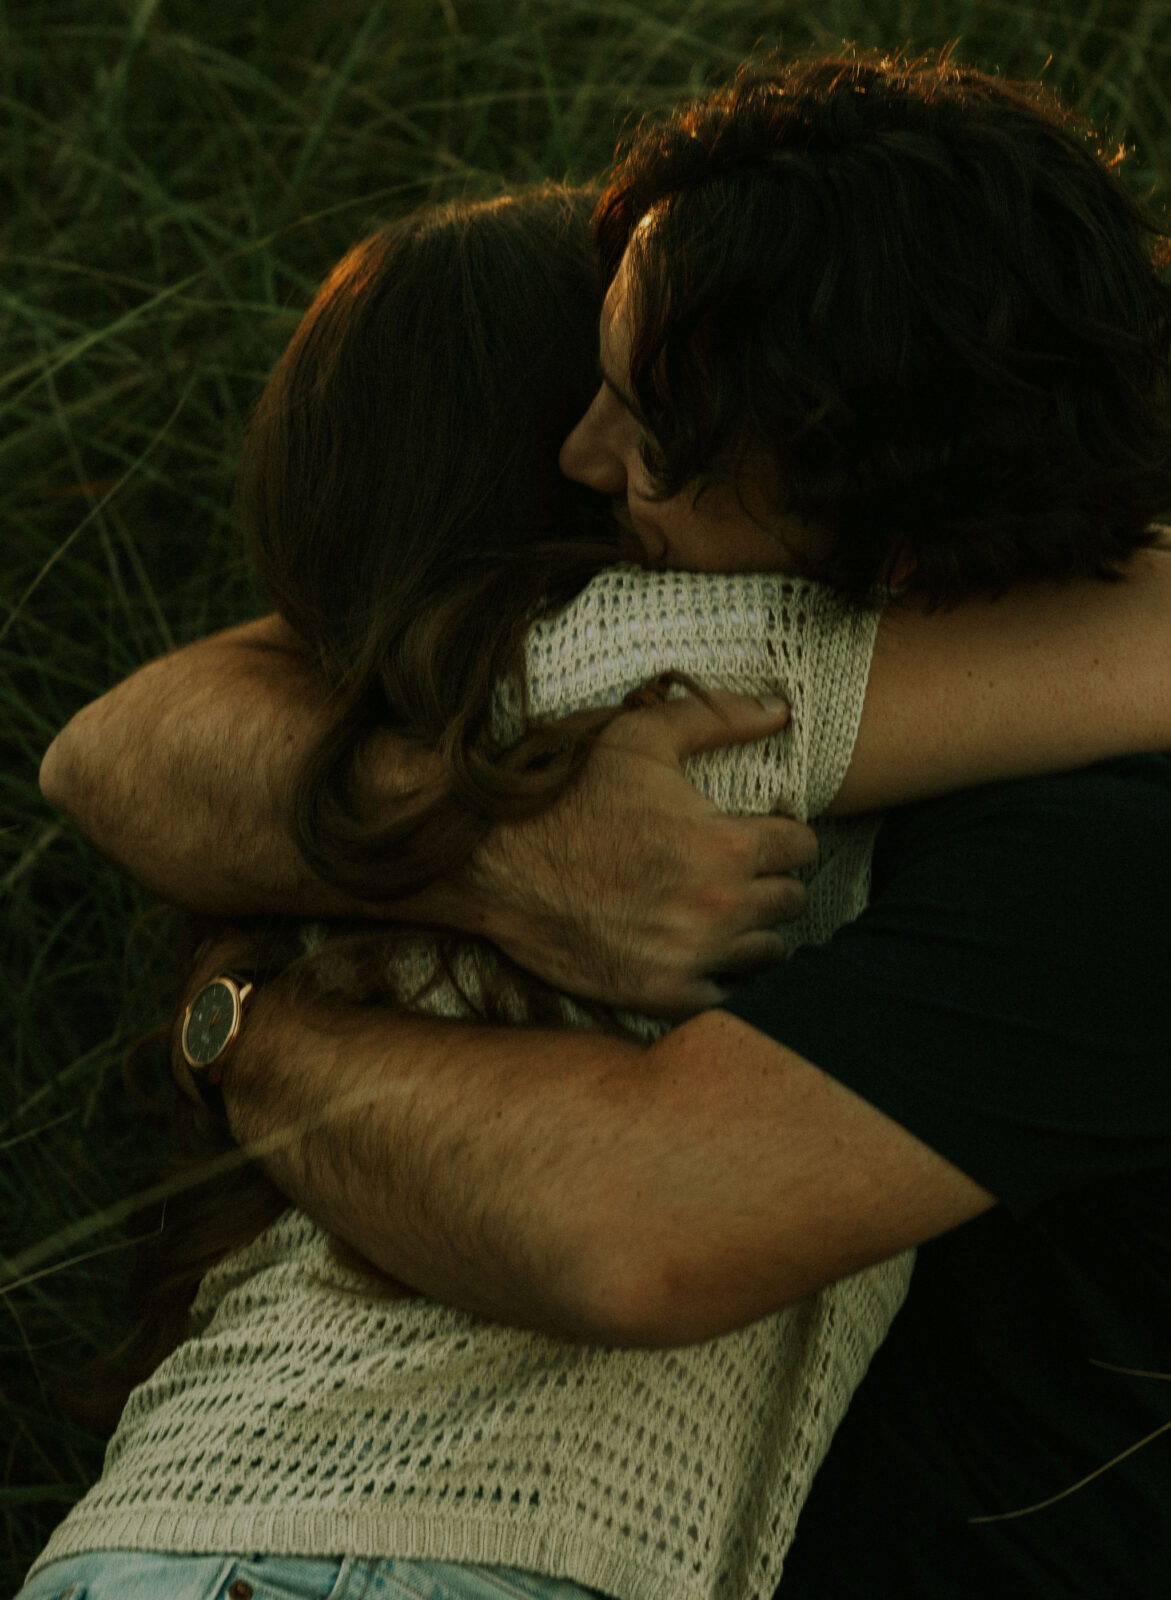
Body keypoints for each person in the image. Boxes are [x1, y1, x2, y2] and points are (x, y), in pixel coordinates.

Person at [32, 53, 1171, 1600]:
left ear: (877, 520)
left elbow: (627, 1225)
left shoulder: (710, 687)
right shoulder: (626, 674)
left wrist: (246, 1027)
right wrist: (495, 842)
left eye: (652, 432)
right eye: (584, 393)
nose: (586, 461)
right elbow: (118, 746)